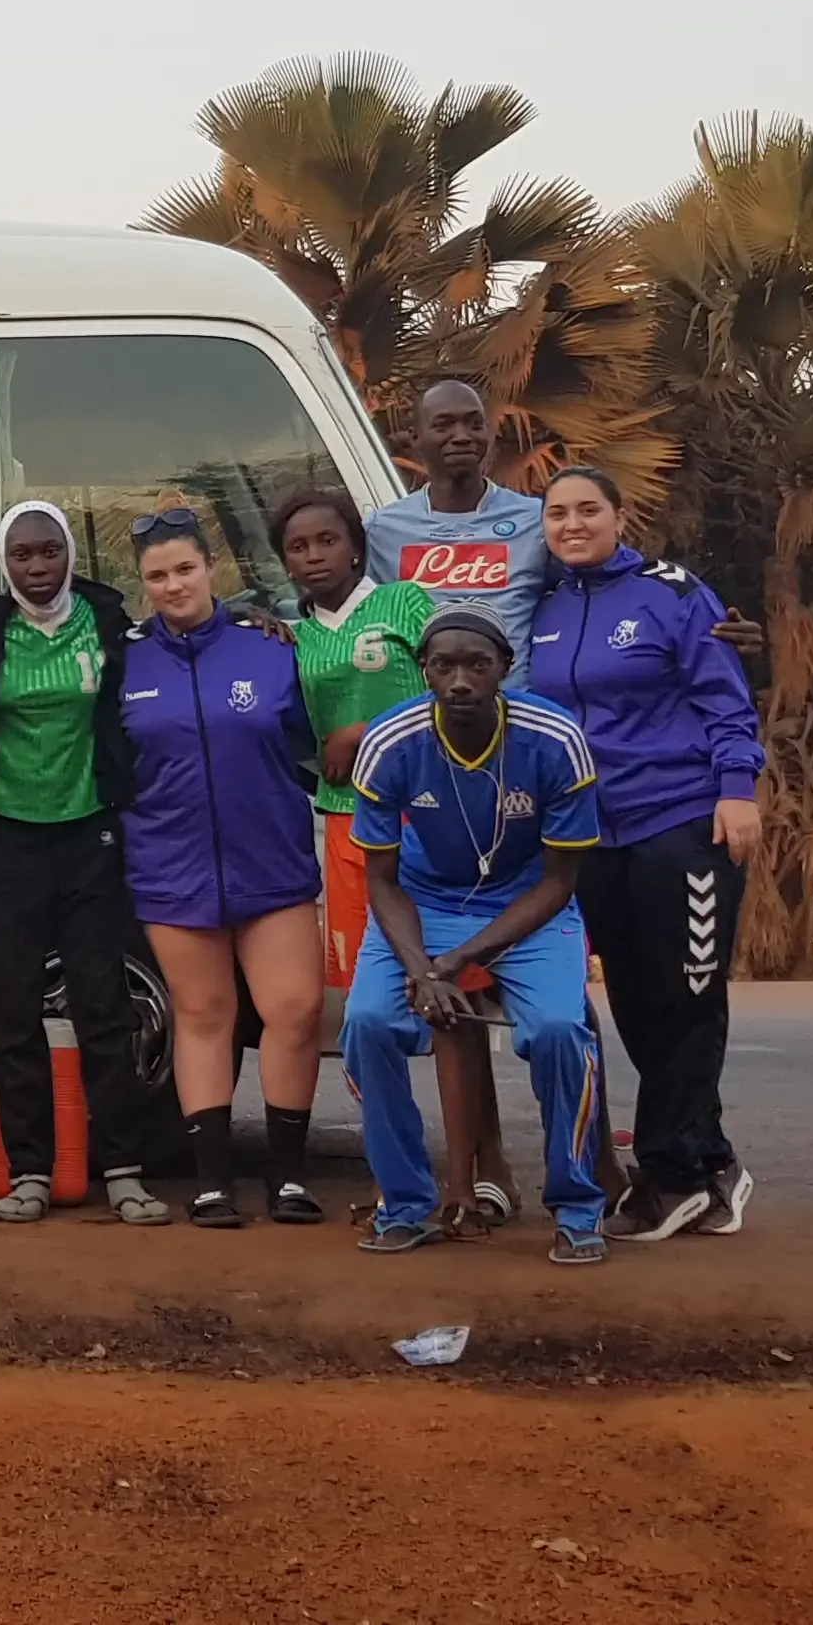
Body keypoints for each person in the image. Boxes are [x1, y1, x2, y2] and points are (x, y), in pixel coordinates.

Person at [526, 466, 767, 1241]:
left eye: (587, 509)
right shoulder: (547, 607)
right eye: (557, 513)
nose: (571, 524)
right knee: (635, 998)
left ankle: (670, 1175)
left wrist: (737, 789)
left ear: (619, 516)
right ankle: (711, 1162)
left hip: (682, 820)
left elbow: (724, 696)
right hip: (594, 832)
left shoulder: (672, 593)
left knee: (688, 997)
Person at [340, 611, 616, 1264]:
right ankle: (406, 1203)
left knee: (558, 1029)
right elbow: (381, 882)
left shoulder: (556, 739)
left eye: (477, 665)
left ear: (505, 668)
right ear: (425, 671)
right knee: (367, 1023)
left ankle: (578, 1209)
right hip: (422, 902)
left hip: (526, 908)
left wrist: (462, 959)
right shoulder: (390, 742)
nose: (460, 680)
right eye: (444, 666)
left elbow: (559, 882)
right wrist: (423, 968)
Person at [281, 487, 509, 1228]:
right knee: (371, 1013)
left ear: (355, 544)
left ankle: (480, 1172)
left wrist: (366, 734)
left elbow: (461, 677)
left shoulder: (407, 603)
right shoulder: (293, 638)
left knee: (457, 997)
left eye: (326, 540)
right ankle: (397, 1177)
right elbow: (295, 739)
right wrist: (329, 750)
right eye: (297, 547)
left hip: (433, 819)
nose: (314, 556)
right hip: (349, 829)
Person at [0, 502, 165, 1227]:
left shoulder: (106, 623)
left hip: (88, 836)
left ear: (69, 553)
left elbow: (176, 634)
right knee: (11, 1013)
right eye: (22, 556)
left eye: (48, 552)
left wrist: (262, 620)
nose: (37, 568)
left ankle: (124, 1171)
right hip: (4, 837)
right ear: (2, 564)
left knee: (104, 1008)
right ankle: (30, 1171)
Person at [117, 506, 329, 1228]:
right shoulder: (126, 660)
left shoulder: (273, 648)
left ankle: (289, 1179)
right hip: (171, 864)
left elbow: (312, 741)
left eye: (184, 568)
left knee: (295, 1011)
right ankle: (213, 1182)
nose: (173, 585)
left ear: (212, 568)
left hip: (270, 859)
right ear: (142, 583)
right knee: (204, 1016)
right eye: (157, 576)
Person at [363, 381, 552, 683]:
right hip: (423, 714)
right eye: (444, 425)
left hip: (515, 712)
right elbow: (342, 606)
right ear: (416, 437)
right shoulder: (381, 530)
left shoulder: (535, 520)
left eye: (475, 424)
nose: (462, 436)